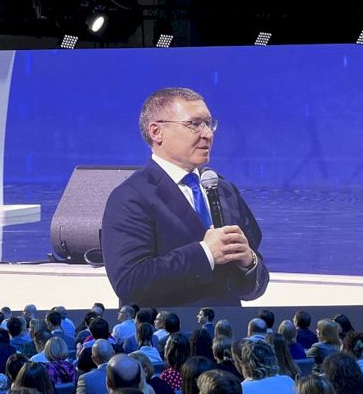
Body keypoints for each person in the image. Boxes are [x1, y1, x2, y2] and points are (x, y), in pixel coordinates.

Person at [101, 87, 269, 307]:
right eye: (194, 124)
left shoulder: (224, 190)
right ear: (156, 132)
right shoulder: (131, 197)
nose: (207, 134)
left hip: (226, 326)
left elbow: (255, 282)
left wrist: (249, 262)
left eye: (209, 123)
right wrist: (205, 253)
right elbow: (129, 281)